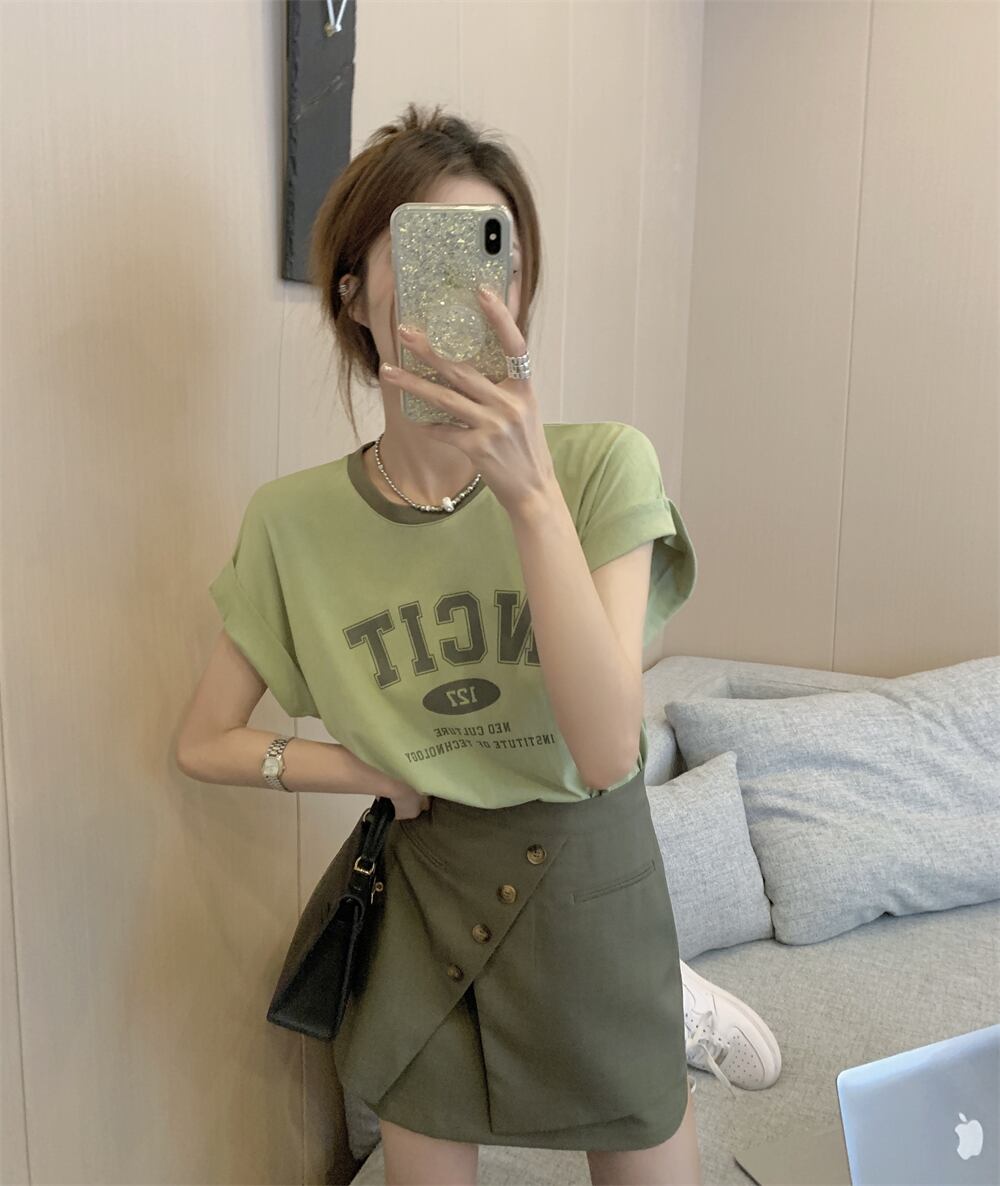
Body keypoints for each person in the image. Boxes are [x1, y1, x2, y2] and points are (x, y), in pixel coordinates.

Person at [177, 102, 705, 1186]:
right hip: (425, 892)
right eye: (431, 253)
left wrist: (532, 501)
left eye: (492, 257)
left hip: (588, 875)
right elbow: (203, 740)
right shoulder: (291, 522)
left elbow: (608, 751)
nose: (469, 294)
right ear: (354, 295)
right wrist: (364, 770)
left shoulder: (602, 467)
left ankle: (691, 1004)